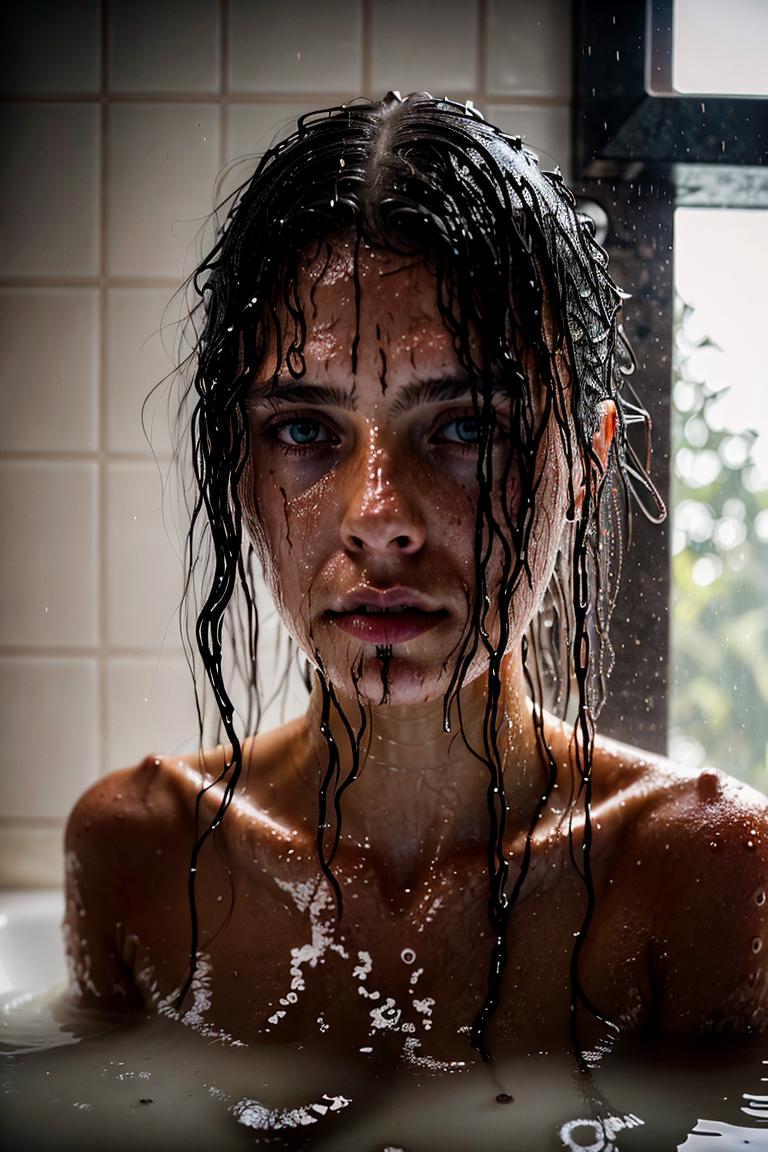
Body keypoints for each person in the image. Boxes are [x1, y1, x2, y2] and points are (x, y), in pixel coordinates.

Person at [64, 93, 768, 1068]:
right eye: (306, 432)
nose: (379, 517)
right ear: (239, 465)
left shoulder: (698, 870)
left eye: (467, 427)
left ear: (589, 466)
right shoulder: (137, 854)